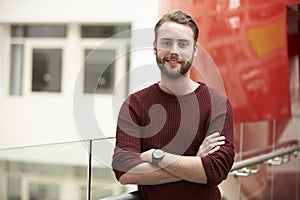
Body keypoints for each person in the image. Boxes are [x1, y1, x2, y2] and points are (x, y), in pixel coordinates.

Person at [112, 10, 234, 200]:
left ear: (194, 49)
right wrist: (195, 162)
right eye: (166, 43)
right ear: (155, 47)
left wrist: (156, 156)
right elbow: (124, 170)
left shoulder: (217, 103)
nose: (174, 51)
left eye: (183, 44)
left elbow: (216, 170)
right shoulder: (135, 104)